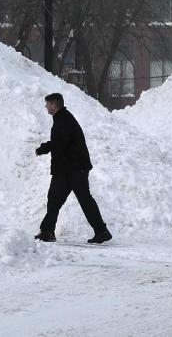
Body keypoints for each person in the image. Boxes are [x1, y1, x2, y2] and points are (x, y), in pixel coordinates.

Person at [34, 93, 112, 244]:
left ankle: (48, 232)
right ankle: (48, 231)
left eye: (47, 103)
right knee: (59, 200)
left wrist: (44, 148)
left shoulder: (63, 120)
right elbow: (60, 142)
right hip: (71, 168)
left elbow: (59, 144)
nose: (45, 106)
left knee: (78, 200)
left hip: (72, 169)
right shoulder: (62, 118)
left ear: (54, 104)